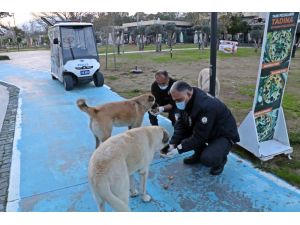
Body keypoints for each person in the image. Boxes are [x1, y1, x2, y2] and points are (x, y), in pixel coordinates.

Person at [163, 81, 240, 175]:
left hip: (223, 134)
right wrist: (173, 143)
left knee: (208, 158)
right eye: (174, 100)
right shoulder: (186, 99)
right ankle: (198, 154)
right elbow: (181, 123)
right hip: (207, 129)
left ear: (189, 93)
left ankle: (221, 160)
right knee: (185, 131)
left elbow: (199, 137)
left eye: (179, 100)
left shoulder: (205, 106)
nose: (177, 103)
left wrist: (179, 148)